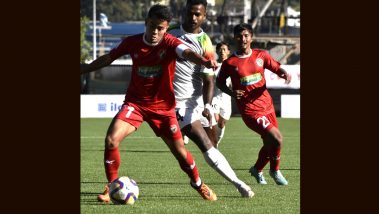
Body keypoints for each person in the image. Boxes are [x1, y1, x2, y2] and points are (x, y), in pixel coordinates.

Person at [80, 4, 218, 202]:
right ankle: (111, 187)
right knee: (111, 139)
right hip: (135, 104)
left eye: (160, 28)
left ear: (166, 28)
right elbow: (108, 58)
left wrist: (202, 61)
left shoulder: (170, 42)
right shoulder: (132, 42)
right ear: (146, 23)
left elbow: (186, 53)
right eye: (152, 26)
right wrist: (85, 68)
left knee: (180, 152)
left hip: (163, 108)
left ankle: (198, 183)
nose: (155, 32)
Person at [168, 0, 254, 198]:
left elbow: (208, 80)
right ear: (184, 12)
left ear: (204, 16)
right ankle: (238, 184)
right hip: (175, 103)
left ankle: (205, 179)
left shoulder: (205, 43)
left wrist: (207, 105)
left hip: (195, 101)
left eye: (198, 14)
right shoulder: (169, 31)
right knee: (204, 143)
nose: (193, 18)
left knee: (212, 143)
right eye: (190, 13)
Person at [216, 23, 291, 185]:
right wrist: (232, 93)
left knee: (269, 142)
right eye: (239, 36)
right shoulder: (230, 63)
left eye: (246, 36)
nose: (243, 39)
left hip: (267, 105)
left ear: (251, 37)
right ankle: (275, 170)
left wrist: (283, 73)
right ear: (234, 38)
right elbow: (220, 83)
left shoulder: (261, 55)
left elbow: (275, 67)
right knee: (277, 138)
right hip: (250, 110)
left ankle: (257, 169)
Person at [210, 41, 232, 148]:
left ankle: (216, 142)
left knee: (221, 124)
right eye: (220, 49)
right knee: (215, 120)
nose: (222, 52)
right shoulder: (213, 64)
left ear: (228, 51)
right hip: (214, 98)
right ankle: (213, 143)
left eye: (224, 49)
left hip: (226, 99)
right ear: (217, 51)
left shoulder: (232, 65)